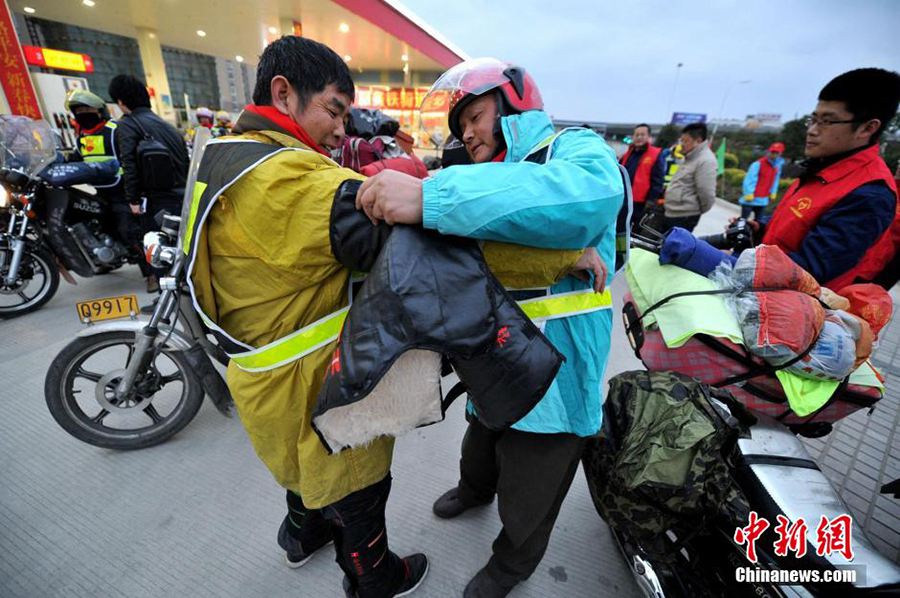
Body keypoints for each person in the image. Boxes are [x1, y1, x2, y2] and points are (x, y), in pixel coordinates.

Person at [355, 57, 624, 598]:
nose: (470, 133)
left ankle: (512, 563)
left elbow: (588, 197)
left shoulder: (572, 150)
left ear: (515, 103)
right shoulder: (478, 178)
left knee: (535, 474)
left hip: (558, 360)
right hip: (491, 346)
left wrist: (433, 197)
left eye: (475, 116)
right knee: (481, 434)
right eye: (461, 127)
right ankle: (474, 489)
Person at [180, 37, 429, 598]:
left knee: (296, 464)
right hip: (317, 375)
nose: (343, 129)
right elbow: (420, 229)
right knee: (354, 478)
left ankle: (301, 536)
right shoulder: (293, 180)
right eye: (334, 110)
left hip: (256, 365)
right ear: (284, 93)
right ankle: (374, 577)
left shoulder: (222, 153)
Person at [748, 68, 900, 291]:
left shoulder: (870, 193)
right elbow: (798, 227)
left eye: (827, 122)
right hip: (758, 286)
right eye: (814, 119)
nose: (812, 130)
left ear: (868, 128)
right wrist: (760, 228)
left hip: (784, 306)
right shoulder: (823, 168)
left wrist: (714, 260)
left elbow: (808, 270)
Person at [108, 74, 189, 291]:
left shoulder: (128, 125)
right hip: (181, 197)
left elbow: (129, 165)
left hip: (155, 200)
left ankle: (167, 303)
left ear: (121, 101)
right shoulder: (167, 126)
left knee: (159, 252)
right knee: (178, 250)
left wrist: (133, 199)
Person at [63, 89, 151, 282]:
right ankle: (107, 258)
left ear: (100, 111)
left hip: (123, 192)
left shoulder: (115, 131)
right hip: (100, 192)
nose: (83, 114)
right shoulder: (82, 139)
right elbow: (76, 162)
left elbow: (131, 161)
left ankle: (150, 272)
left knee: (128, 231)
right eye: (78, 111)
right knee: (98, 225)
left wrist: (134, 193)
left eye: (87, 109)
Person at [661, 122, 717, 232]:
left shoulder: (706, 161)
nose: (681, 144)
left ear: (698, 141)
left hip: (684, 216)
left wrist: (695, 210)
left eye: (685, 141)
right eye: (681, 140)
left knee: (675, 247)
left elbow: (706, 193)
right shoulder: (689, 156)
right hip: (672, 212)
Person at [619, 123, 664, 226]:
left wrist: (651, 201)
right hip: (623, 199)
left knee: (635, 229)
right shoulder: (628, 154)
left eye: (642, 135)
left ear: (648, 137)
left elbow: (657, 181)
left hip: (640, 203)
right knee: (621, 227)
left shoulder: (655, 155)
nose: (639, 137)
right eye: (637, 135)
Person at [739, 142, 785, 220]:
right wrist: (749, 193)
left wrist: (773, 192)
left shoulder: (777, 167)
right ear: (768, 151)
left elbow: (775, 181)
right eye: (772, 152)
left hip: (763, 201)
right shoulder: (758, 164)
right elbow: (750, 179)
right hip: (750, 199)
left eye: (776, 153)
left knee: (758, 223)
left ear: (780, 154)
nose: (773, 154)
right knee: (743, 221)